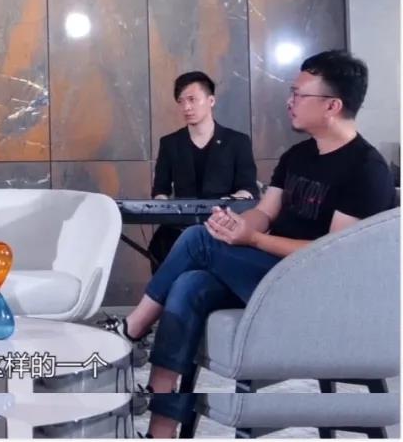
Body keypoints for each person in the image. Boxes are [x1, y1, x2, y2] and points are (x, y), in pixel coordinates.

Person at [102, 50, 395, 438]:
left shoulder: (365, 169)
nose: (289, 101)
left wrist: (254, 239)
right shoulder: (297, 156)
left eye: (299, 94)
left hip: (315, 292)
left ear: (332, 106)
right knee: (189, 284)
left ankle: (133, 327)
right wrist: (238, 225)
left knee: (196, 238)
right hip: (272, 274)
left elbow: (329, 259)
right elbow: (265, 212)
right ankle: (162, 428)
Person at [148, 71, 259, 271]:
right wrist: (164, 208)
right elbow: (160, 190)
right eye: (181, 101)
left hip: (223, 227)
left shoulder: (237, 141)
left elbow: (248, 188)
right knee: (159, 247)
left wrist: (227, 206)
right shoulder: (170, 143)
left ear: (211, 100)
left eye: (192, 99)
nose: (186, 107)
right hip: (179, 228)